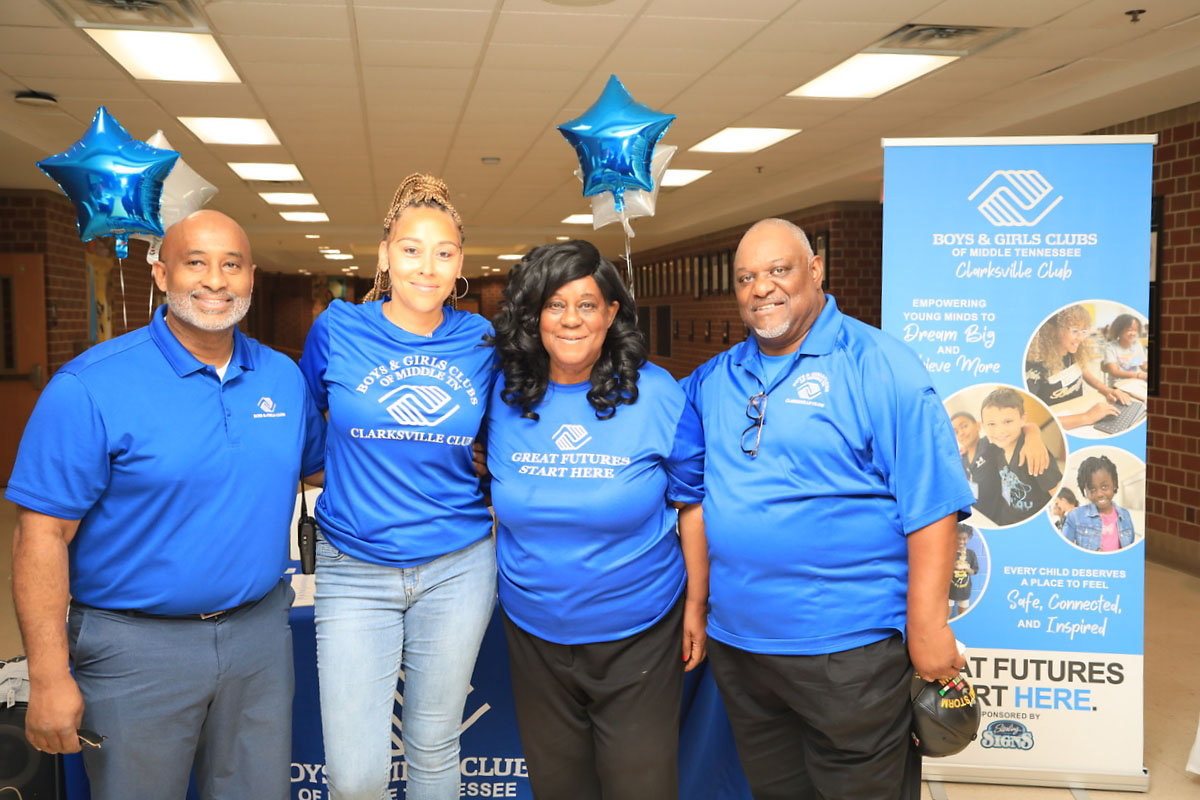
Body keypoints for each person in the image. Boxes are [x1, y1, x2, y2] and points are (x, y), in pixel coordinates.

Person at [6, 210, 326, 799]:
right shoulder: (90, 386)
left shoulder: (282, 377)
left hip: (258, 641)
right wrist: (47, 676)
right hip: (135, 651)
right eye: (195, 263)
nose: (215, 280)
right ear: (160, 274)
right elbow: (41, 536)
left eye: (231, 264)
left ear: (251, 276)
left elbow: (321, 468)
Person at [680, 218, 974, 799]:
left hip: (849, 651)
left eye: (778, 270)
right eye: (745, 278)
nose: (761, 288)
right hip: (744, 650)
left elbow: (933, 504)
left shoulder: (880, 365)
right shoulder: (715, 379)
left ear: (816, 270)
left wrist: (929, 626)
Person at [298, 174, 497, 800]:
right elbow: (306, 429)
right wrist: (347, 473)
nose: (426, 266)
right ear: (384, 255)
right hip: (354, 565)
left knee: (434, 747)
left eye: (443, 252)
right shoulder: (336, 329)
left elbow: (506, 434)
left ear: (460, 264)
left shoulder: (482, 341)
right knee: (355, 774)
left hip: (458, 565)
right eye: (411, 249)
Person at [485, 240, 706, 800]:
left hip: (639, 633)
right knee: (559, 788)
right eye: (555, 304)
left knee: (641, 788)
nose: (571, 319)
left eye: (587, 304)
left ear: (611, 313)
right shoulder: (503, 394)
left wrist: (697, 606)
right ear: (534, 315)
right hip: (533, 632)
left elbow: (691, 503)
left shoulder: (657, 394)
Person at [1025, 305, 1130, 429]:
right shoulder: (1034, 366)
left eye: (1084, 331)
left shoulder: (1071, 353)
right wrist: (1086, 417)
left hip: (1077, 413)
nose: (1080, 338)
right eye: (1074, 331)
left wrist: (1109, 391)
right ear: (1052, 330)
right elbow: (1033, 419)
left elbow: (1088, 376)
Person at [979, 388, 1063, 526]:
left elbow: (1059, 494)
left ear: (1022, 419)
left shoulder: (1034, 454)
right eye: (991, 424)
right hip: (1005, 518)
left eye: (1008, 421)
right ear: (983, 426)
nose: (1000, 431)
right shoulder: (995, 448)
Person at [951, 409, 1048, 524]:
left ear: (978, 425)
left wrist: (1033, 438)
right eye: (956, 432)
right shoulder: (964, 459)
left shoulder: (988, 444)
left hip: (997, 517)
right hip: (977, 515)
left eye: (964, 426)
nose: (961, 433)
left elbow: (1027, 427)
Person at [1061, 454, 1136, 552]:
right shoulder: (1075, 516)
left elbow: (1131, 549)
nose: (1099, 494)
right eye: (1092, 489)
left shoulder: (1125, 515)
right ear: (1085, 490)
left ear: (1114, 484)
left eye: (1104, 486)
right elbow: (1064, 550)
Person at [1101, 313, 1148, 386]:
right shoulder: (1111, 347)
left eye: (1135, 330)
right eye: (1129, 330)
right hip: (1116, 386)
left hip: (1133, 383)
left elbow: (1142, 365)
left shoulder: (1136, 345)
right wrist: (1138, 375)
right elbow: (1114, 371)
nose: (1133, 333)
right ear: (1119, 330)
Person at [949, 524, 979, 619]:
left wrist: (967, 569)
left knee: (962, 613)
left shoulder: (971, 554)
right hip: (949, 589)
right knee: (946, 612)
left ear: (968, 538)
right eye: (959, 538)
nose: (961, 541)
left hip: (964, 590)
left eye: (964, 539)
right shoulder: (949, 552)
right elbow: (942, 570)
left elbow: (974, 571)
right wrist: (953, 566)